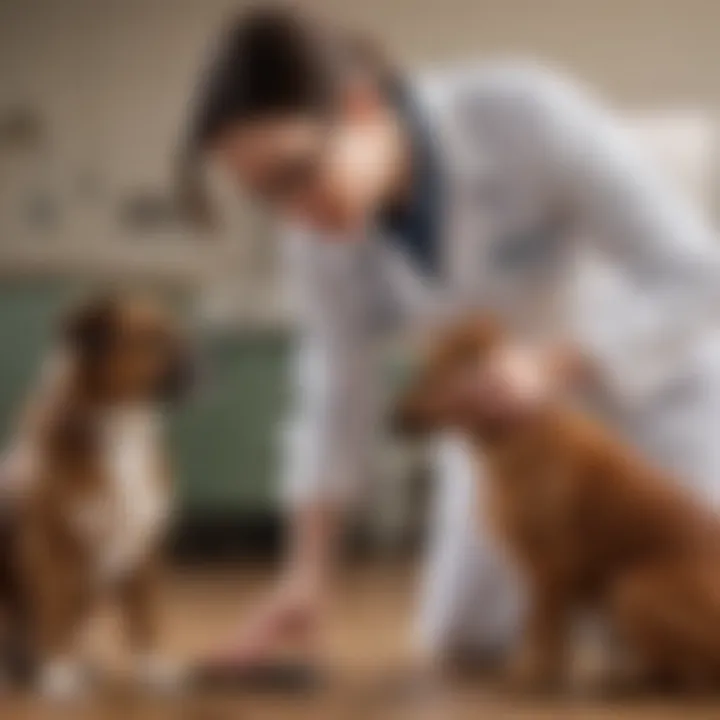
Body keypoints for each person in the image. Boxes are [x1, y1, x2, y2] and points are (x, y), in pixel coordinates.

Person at [182, 6, 720, 668]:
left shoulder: (523, 114)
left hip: (649, 403)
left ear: (359, 105)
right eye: (264, 195)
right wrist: (306, 572)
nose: (295, 213)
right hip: (508, 437)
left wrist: (553, 365)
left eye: (297, 173)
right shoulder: (315, 238)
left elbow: (695, 270)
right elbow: (332, 396)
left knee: (668, 626)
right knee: (462, 642)